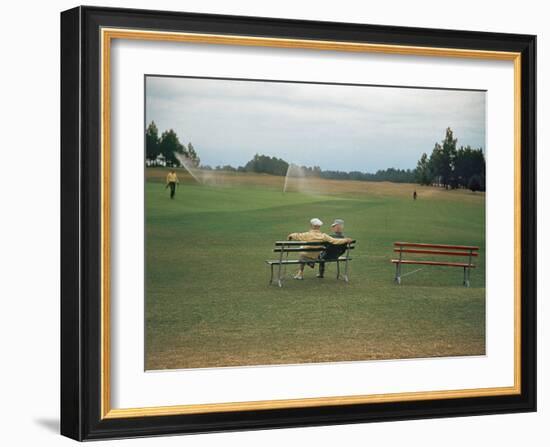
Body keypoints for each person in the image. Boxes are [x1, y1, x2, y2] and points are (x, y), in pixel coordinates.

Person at [288, 218, 352, 280]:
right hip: (316, 256)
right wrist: (346, 240)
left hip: (307, 256)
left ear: (311, 226)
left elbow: (296, 235)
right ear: (319, 227)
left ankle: (301, 272)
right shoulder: (323, 236)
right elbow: (335, 241)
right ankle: (309, 263)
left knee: (302, 248)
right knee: (313, 249)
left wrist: (290, 235)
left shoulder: (306, 235)